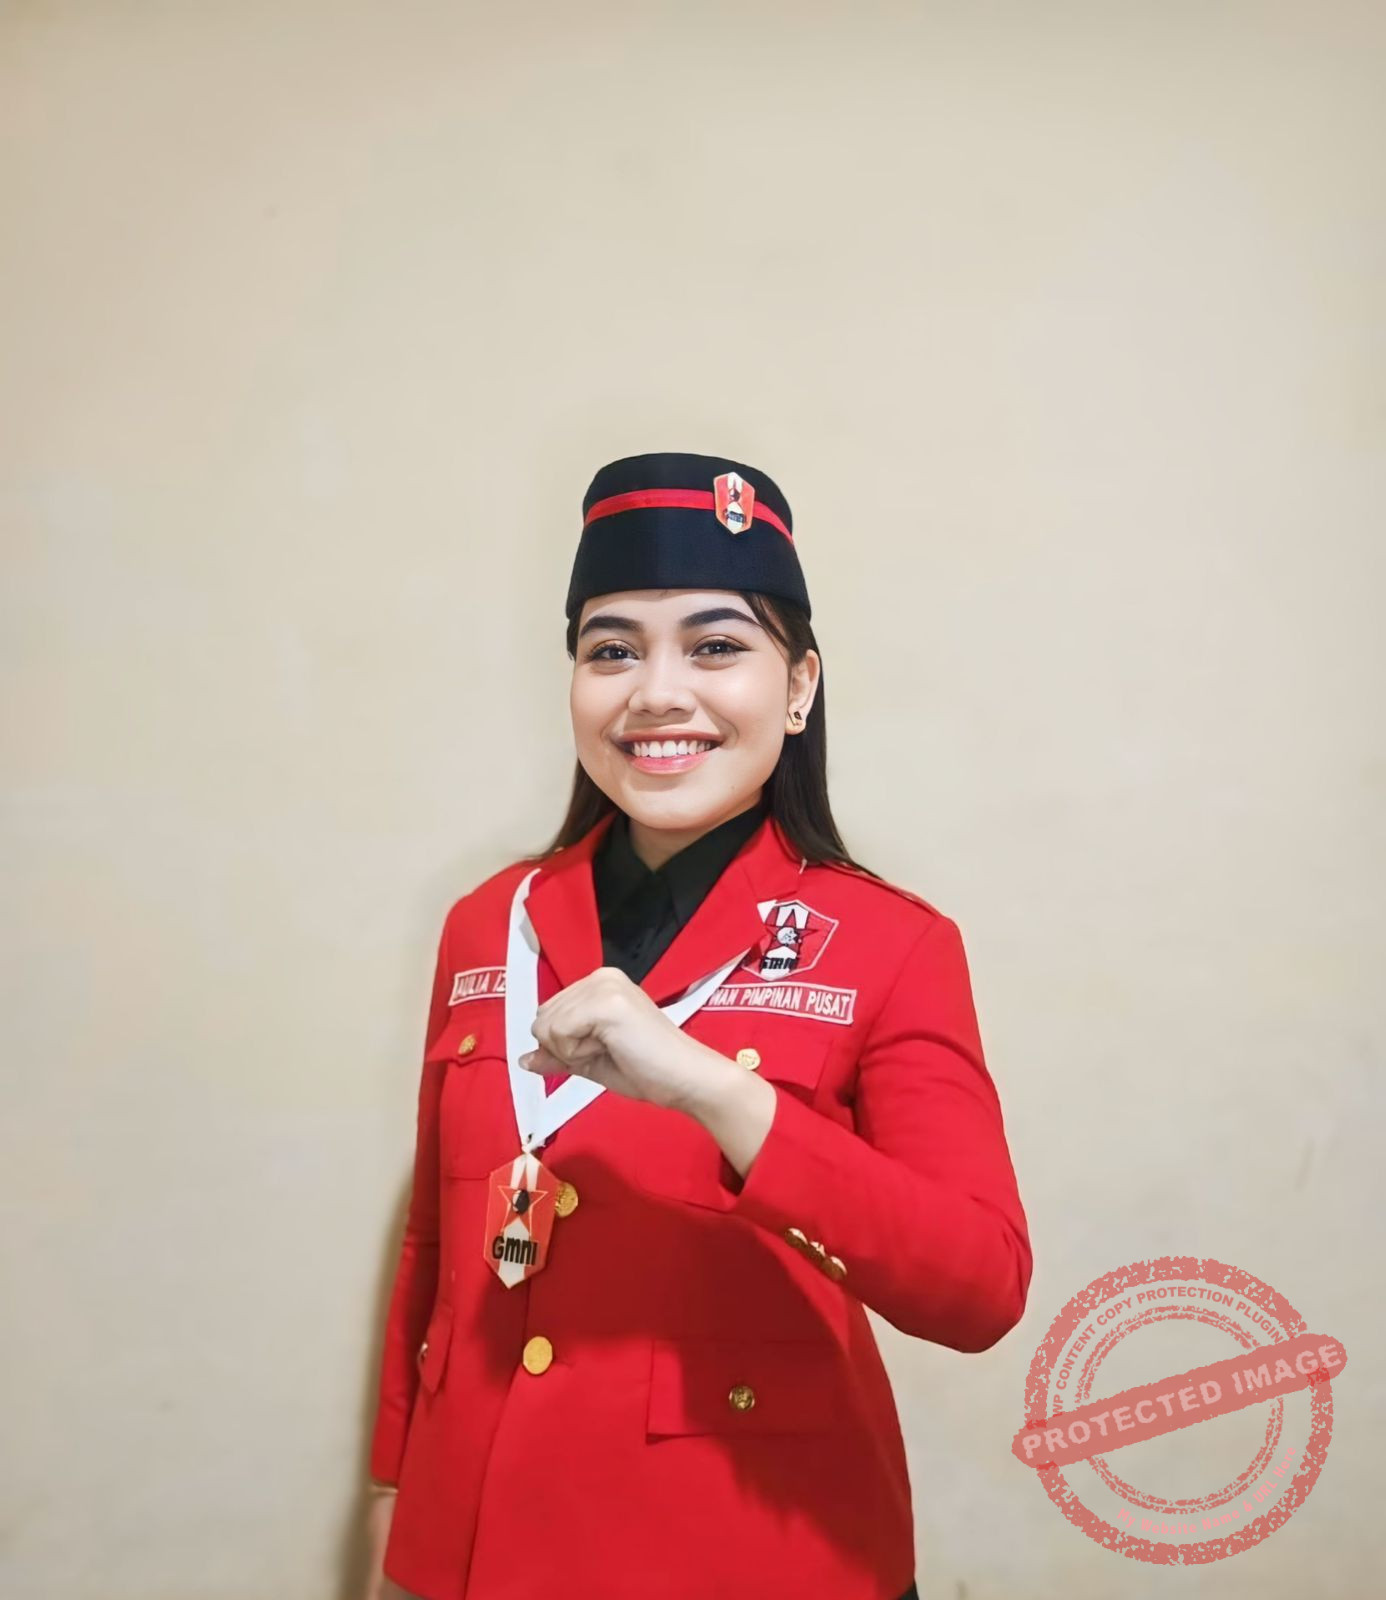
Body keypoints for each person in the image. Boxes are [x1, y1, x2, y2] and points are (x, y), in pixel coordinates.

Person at [362, 451, 1032, 1600]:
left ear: (800, 685)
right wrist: (397, 1501)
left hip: (748, 1554)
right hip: (478, 1552)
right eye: (611, 650)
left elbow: (979, 1287)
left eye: (716, 647)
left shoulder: (892, 943)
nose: (656, 693)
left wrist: (720, 1092)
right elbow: (435, 1241)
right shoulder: (489, 921)